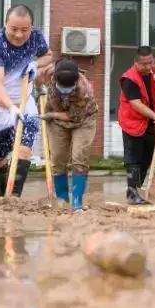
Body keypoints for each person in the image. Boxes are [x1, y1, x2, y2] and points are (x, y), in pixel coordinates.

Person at [0, 4, 53, 197]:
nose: (19, 35)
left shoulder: (36, 37)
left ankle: (15, 197)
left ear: (32, 27)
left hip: (24, 100)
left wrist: (35, 63)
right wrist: (10, 107)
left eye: (24, 30)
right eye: (14, 29)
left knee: (25, 147)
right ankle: (5, 195)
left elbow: (48, 56)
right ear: (5, 25)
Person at [118, 45, 155, 205]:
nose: (148, 67)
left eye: (150, 62)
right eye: (144, 64)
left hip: (150, 121)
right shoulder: (129, 78)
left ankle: (138, 188)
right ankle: (132, 193)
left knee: (148, 155)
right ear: (135, 63)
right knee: (133, 157)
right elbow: (136, 103)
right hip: (132, 122)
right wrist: (154, 116)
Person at [42, 58, 99, 211]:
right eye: (62, 87)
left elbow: (73, 116)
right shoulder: (49, 74)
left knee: (78, 157)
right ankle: (62, 199)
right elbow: (37, 79)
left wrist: (51, 114)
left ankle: (77, 202)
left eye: (69, 87)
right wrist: (37, 84)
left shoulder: (84, 89)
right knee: (58, 158)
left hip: (83, 120)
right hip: (56, 121)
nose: (65, 90)